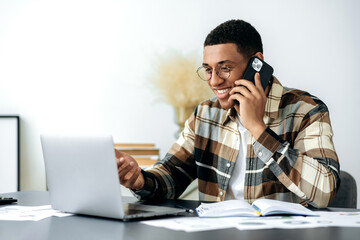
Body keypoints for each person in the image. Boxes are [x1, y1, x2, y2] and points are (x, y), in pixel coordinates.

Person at [116, 19, 340, 208]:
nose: (214, 81)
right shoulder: (205, 114)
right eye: (208, 70)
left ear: (257, 64)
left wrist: (257, 128)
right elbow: (171, 175)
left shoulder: (305, 110)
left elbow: (324, 192)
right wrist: (138, 179)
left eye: (224, 68)